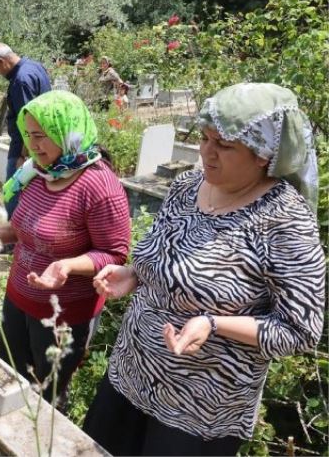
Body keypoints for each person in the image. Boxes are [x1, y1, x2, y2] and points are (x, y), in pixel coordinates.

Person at [83, 83, 325, 456]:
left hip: (200, 410)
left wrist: (213, 324)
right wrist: (133, 275)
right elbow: (167, 260)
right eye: (204, 138)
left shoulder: (285, 221)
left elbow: (300, 330)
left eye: (225, 145)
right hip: (130, 374)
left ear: (264, 154)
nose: (207, 153)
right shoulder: (186, 187)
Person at [0, 91, 130, 410]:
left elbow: (114, 254)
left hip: (62, 315)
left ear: (69, 132)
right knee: (9, 377)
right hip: (18, 300)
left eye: (41, 136)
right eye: (28, 135)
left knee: (46, 396)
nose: (32, 145)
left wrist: (67, 266)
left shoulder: (99, 186)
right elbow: (26, 229)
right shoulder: (40, 172)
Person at [0, 43, 51, 217]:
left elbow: (29, 122)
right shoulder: (34, 66)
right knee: (33, 193)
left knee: (12, 192)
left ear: (1, 61)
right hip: (44, 143)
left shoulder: (21, 80)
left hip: (25, 146)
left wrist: (23, 155)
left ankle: (13, 238)